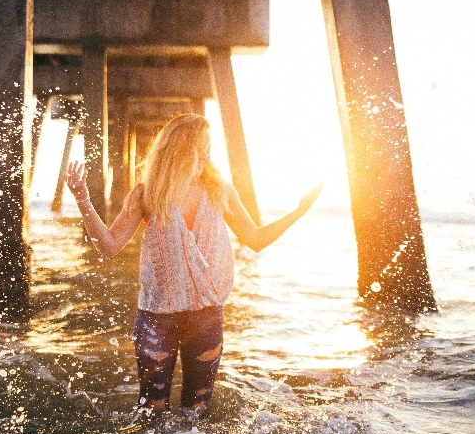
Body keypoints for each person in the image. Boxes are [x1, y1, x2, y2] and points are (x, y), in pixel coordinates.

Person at [65, 113, 321, 417]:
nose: (207, 154)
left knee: (196, 413)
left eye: (210, 147)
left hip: (206, 317)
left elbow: (255, 238)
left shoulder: (219, 191)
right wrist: (82, 198)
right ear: (181, 149)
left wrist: (299, 212)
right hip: (157, 319)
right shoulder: (147, 194)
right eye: (202, 146)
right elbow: (108, 245)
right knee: (152, 412)